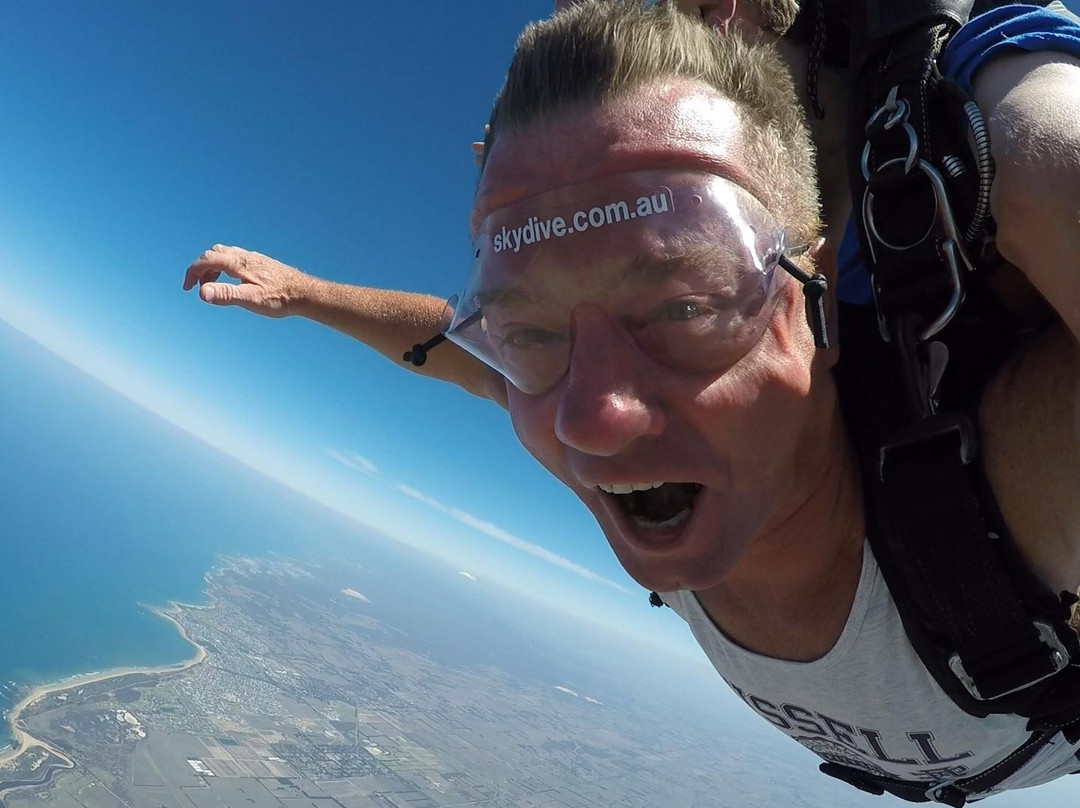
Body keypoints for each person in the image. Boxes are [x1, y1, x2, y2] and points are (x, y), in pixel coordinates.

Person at [184, 1, 1080, 801]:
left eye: (684, 309)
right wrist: (301, 293)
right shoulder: (641, 434)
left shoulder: (1011, 477)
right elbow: (452, 341)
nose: (590, 421)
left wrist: (1025, 105)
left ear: (816, 302)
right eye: (532, 330)